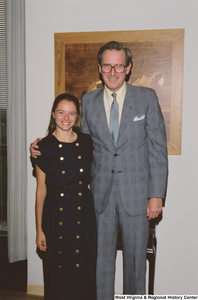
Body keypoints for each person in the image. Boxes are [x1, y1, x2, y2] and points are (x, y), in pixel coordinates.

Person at [30, 41, 168, 299]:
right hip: (98, 198)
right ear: (99, 68)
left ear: (128, 68)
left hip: (137, 197)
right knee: (99, 266)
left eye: (118, 65)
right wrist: (42, 145)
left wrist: (156, 195)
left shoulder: (146, 97)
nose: (112, 71)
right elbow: (77, 145)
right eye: (107, 65)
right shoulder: (88, 101)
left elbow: (158, 150)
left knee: (135, 266)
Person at [32, 93, 97, 300]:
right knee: (57, 274)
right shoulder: (42, 148)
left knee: (84, 273)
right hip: (56, 217)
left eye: (71, 113)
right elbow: (41, 190)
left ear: (77, 117)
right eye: (61, 112)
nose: (66, 118)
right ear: (53, 114)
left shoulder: (87, 142)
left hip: (83, 216)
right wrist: (39, 230)